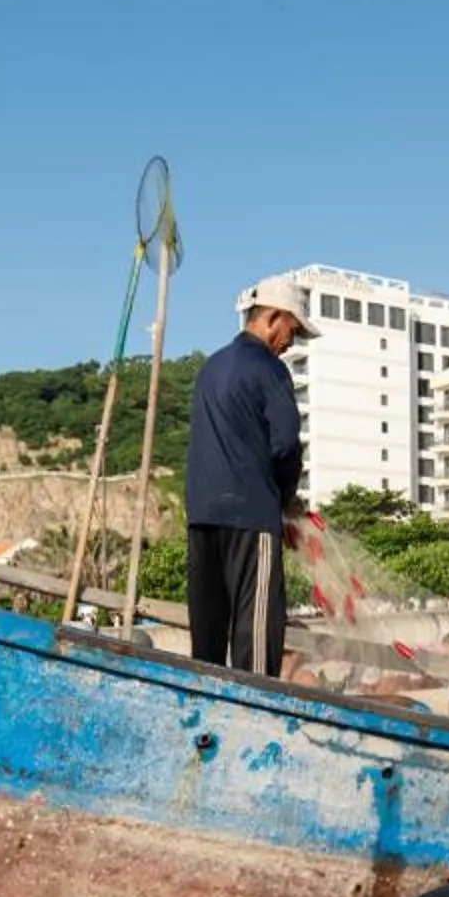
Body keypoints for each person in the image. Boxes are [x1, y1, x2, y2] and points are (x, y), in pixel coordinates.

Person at [185, 279, 312, 677]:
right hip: (250, 516)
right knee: (255, 638)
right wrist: (285, 500)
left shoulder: (211, 367)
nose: (291, 343)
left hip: (202, 515)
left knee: (206, 639)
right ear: (273, 318)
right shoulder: (269, 369)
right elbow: (287, 444)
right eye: (292, 331)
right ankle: (256, 721)